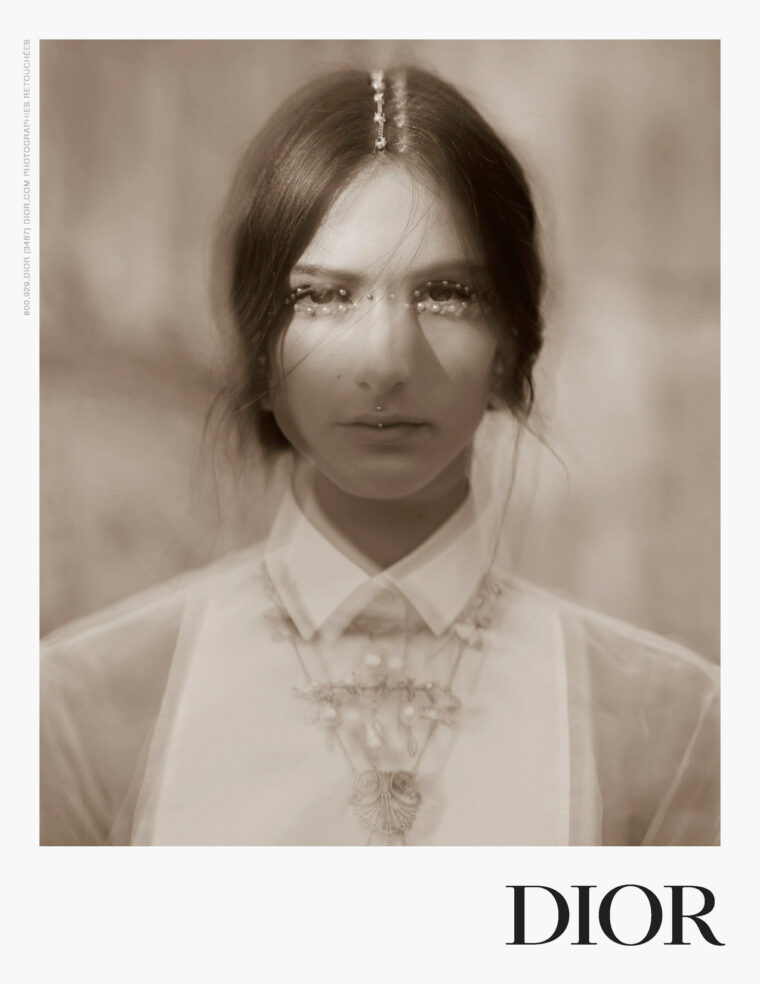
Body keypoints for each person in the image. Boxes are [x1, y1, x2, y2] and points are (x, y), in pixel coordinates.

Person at [40, 66, 719, 846]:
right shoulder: (79, 712)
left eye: (447, 294)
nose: (387, 360)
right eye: (325, 297)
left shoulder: (672, 729)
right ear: (261, 347)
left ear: (511, 345)